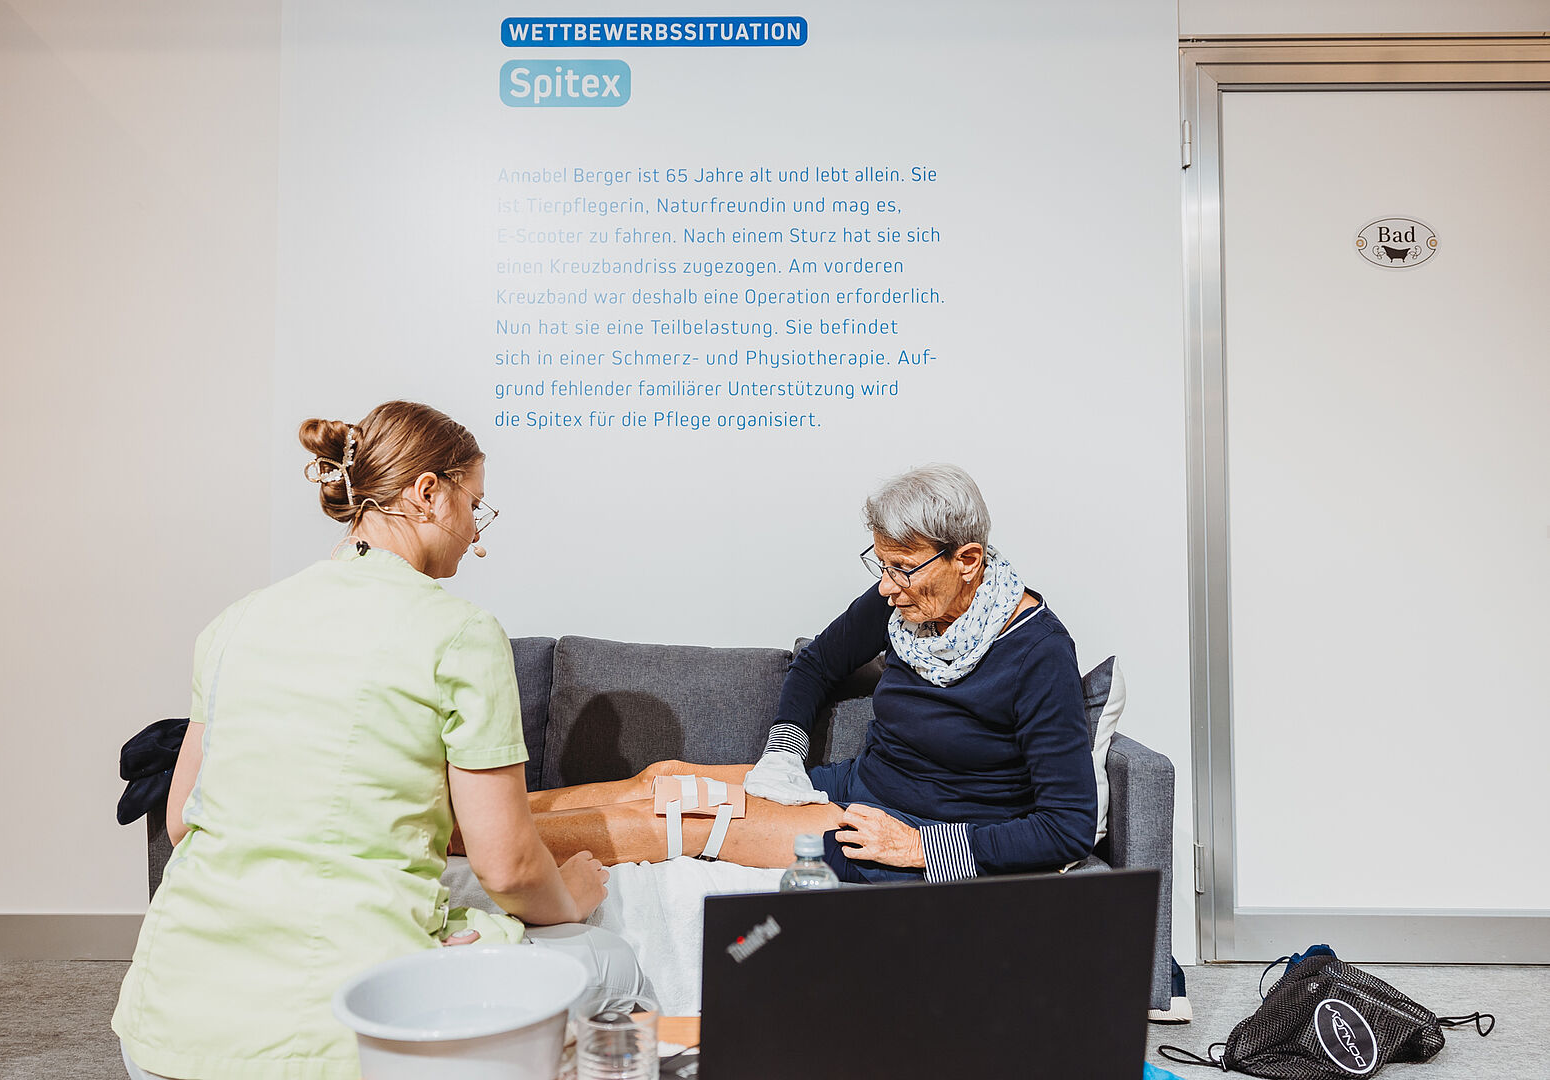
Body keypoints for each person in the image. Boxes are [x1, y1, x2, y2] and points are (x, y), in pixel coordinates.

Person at [113, 401, 609, 1080]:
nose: (475, 531)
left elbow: (180, 822)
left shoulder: (232, 624)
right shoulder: (461, 634)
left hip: (162, 1031)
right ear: (427, 492)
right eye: (474, 505)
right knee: (609, 962)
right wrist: (571, 896)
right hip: (339, 1043)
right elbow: (510, 868)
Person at [528, 463, 1097, 884]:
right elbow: (817, 664)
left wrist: (920, 848)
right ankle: (480, 819)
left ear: (967, 560)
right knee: (665, 779)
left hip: (906, 833)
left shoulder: (1039, 653)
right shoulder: (903, 601)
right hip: (855, 789)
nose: (887, 587)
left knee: (685, 818)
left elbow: (1067, 827)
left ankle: (486, 849)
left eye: (902, 568)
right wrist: (785, 753)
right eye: (881, 565)